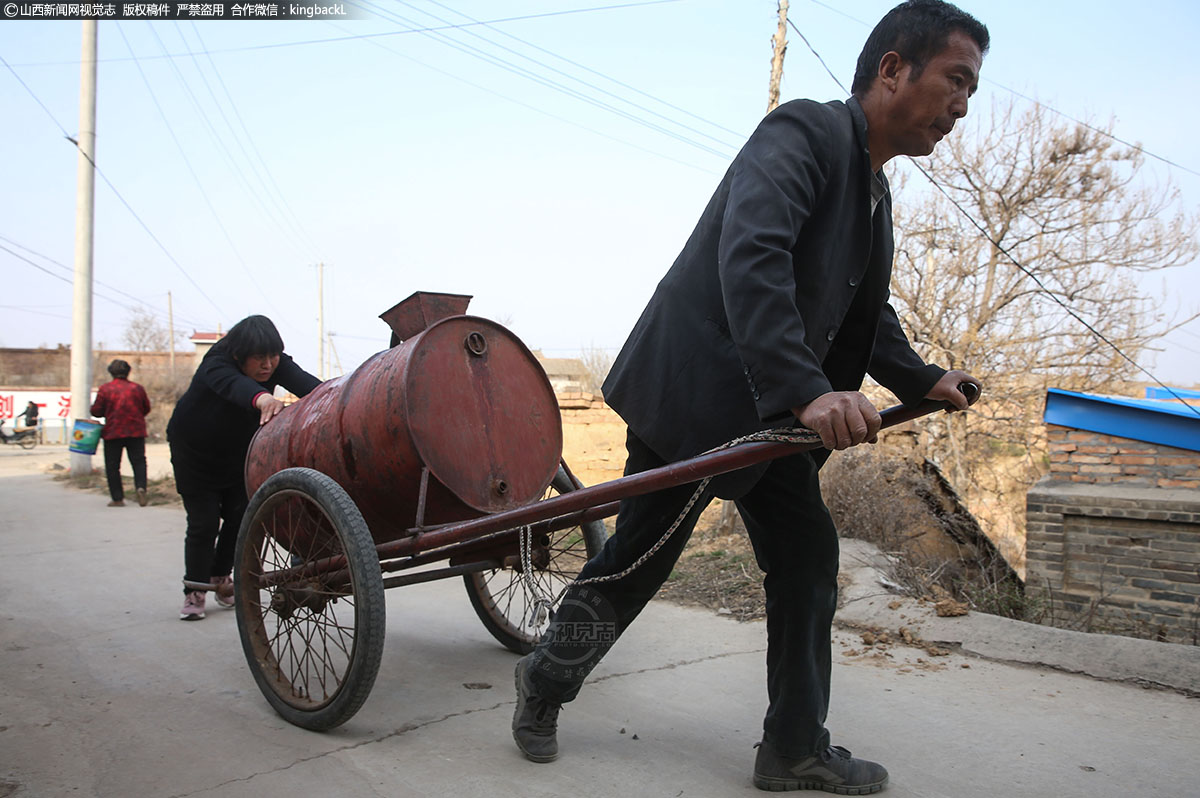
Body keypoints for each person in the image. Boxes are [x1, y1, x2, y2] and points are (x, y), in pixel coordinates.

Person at [512, 1, 988, 793]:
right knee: (637, 563)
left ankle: (793, 748)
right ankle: (544, 683)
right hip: (699, 398)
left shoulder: (874, 195)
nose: (964, 106)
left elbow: (863, 314)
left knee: (807, 562)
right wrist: (809, 391)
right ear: (893, 69)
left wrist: (919, 378)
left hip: (773, 416)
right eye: (956, 80)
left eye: (973, 90)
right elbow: (753, 257)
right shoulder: (802, 133)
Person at [167, 315, 320, 621]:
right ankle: (195, 590)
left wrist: (344, 396)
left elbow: (312, 387)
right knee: (204, 522)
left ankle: (220, 576)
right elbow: (236, 386)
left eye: (272, 357)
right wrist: (263, 399)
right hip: (194, 453)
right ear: (239, 356)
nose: (267, 366)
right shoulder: (217, 362)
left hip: (239, 454)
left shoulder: (276, 362)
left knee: (241, 517)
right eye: (259, 359)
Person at [90, 360, 152, 508]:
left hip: (113, 431)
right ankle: (140, 487)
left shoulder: (105, 389)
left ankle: (117, 498)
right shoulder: (137, 388)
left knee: (112, 466)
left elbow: (96, 411)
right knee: (138, 462)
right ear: (128, 372)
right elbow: (146, 408)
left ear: (110, 372)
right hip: (136, 431)